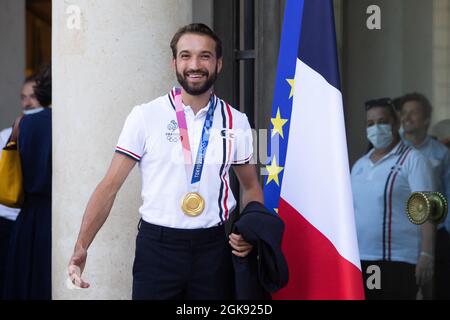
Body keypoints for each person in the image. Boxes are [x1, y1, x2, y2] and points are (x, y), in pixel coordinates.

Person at [68, 23, 263, 300]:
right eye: (185, 55)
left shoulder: (236, 121)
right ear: (174, 62)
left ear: (219, 64)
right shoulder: (145, 116)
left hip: (214, 250)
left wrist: (249, 231)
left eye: (204, 56)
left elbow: (251, 186)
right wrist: (82, 245)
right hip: (157, 249)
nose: (194, 64)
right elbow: (110, 185)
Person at [351, 97, 436, 300]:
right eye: (370, 124)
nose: (376, 128)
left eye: (382, 122)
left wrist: (426, 254)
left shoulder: (413, 160)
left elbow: (427, 211)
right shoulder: (360, 165)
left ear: (395, 124)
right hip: (362, 258)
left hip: (397, 259)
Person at [3, 65, 52, 300]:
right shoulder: (72, 126)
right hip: (55, 216)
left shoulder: (23, 124)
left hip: (28, 217)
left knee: (26, 285)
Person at [398, 93, 450, 299]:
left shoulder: (441, 152)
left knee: (437, 288)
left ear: (427, 118)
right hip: (400, 233)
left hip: (435, 231)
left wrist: (445, 230)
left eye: (414, 113)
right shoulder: (392, 148)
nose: (407, 117)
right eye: (404, 112)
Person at [0, 76, 41, 296]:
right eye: (23, 97)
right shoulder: (5, 136)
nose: (27, 103)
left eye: (33, 96)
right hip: (6, 221)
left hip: (33, 221)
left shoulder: (50, 134)